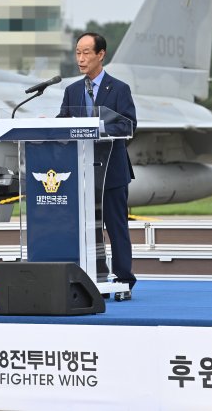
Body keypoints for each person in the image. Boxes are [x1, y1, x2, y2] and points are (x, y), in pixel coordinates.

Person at [58, 32, 138, 289]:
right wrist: (48, 126)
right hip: (80, 173)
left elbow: (129, 125)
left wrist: (99, 127)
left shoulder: (119, 89)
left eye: (86, 53)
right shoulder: (71, 91)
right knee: (84, 229)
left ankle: (124, 278)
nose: (80, 59)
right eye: (78, 53)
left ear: (101, 55)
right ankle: (90, 275)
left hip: (111, 172)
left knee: (116, 227)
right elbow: (64, 124)